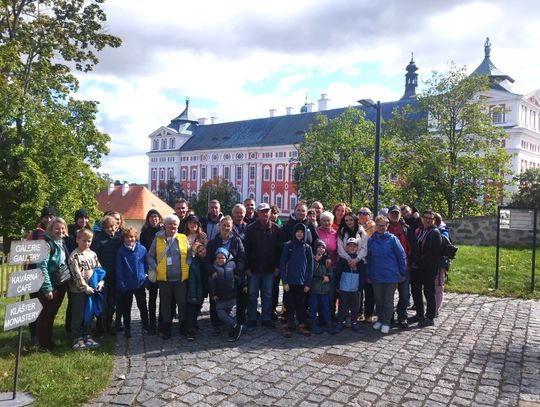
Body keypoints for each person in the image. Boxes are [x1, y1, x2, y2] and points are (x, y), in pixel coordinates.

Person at [147, 214, 191, 339]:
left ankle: (183, 327)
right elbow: (149, 255)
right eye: (170, 224)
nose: (172, 226)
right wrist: (154, 265)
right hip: (164, 278)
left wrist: (188, 265)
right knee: (165, 303)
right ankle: (166, 329)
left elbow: (189, 255)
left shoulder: (183, 238)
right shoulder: (158, 239)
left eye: (175, 224)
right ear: (164, 225)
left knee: (182, 303)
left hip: (180, 278)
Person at [366, 215, 407, 334]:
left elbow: (401, 256)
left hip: (391, 275)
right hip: (376, 275)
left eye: (383, 225)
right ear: (376, 226)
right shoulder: (371, 240)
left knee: (388, 300)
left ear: (387, 226)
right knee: (378, 300)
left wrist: (402, 272)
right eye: (379, 225)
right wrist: (368, 274)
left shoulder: (393, 239)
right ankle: (379, 319)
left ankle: (386, 322)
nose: (381, 227)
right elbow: (368, 259)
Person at [244, 203, 281, 329]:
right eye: (262, 212)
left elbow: (279, 251)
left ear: (270, 213)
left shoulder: (276, 229)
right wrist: (247, 267)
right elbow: (246, 250)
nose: (264, 214)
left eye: (266, 211)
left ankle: (266, 318)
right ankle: (252, 318)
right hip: (253, 269)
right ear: (257, 213)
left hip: (270, 269)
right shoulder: (250, 229)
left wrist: (277, 267)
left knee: (267, 295)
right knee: (252, 294)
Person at [207, 216, 247, 329]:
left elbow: (242, 256)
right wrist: (212, 271)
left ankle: (235, 324)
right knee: (215, 301)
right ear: (219, 226)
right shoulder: (213, 242)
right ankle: (216, 325)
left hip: (232, 276)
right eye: (223, 225)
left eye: (228, 225)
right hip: (217, 277)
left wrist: (237, 272)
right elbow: (208, 259)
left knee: (234, 302)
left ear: (231, 227)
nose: (226, 227)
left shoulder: (236, 240)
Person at [36, 217, 70, 352]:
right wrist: (47, 288)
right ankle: (43, 344)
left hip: (59, 283)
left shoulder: (60, 242)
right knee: (45, 315)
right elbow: (42, 267)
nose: (60, 231)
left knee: (51, 314)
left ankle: (48, 341)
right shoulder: (46, 244)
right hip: (50, 285)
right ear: (50, 229)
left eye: (62, 228)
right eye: (57, 228)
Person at [68, 228, 103, 349]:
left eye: (89, 241)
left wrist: (101, 282)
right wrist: (85, 288)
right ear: (77, 240)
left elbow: (99, 269)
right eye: (84, 241)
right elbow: (76, 275)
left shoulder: (92, 254)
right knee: (78, 314)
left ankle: (87, 335)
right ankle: (77, 337)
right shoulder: (74, 256)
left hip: (92, 289)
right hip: (78, 291)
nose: (87, 243)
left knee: (89, 313)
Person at [26, 206, 56, 346]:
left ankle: (45, 335)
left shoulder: (56, 233)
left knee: (46, 308)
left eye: (51, 217)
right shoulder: (34, 234)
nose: (48, 219)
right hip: (33, 273)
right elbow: (25, 254)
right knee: (34, 306)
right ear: (41, 218)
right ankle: (34, 336)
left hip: (48, 275)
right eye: (46, 217)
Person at [408, 209, 443, 327]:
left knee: (429, 292)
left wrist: (419, 261)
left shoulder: (435, 233)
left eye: (430, 218)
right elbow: (413, 246)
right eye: (425, 217)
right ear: (422, 218)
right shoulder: (418, 230)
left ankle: (430, 317)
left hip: (428, 267)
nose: (427, 220)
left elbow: (433, 252)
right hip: (416, 267)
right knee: (415, 291)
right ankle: (419, 314)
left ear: (433, 220)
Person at [279, 223, 313, 338]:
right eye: (297, 231)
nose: (299, 234)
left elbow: (310, 267)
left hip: (302, 283)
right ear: (294, 232)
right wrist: (285, 281)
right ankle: (285, 325)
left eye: (302, 232)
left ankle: (301, 325)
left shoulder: (307, 248)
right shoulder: (288, 246)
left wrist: (308, 283)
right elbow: (282, 264)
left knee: (302, 306)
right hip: (290, 282)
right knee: (288, 305)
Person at [91, 214, 122, 335]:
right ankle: (100, 328)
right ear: (103, 228)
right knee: (102, 303)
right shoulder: (98, 240)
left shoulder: (118, 238)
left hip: (115, 276)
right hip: (103, 277)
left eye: (112, 226)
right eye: (107, 227)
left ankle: (109, 326)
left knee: (112, 303)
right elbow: (95, 259)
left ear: (116, 226)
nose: (110, 229)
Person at [116, 227, 149, 338]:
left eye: (133, 237)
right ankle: (127, 329)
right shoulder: (121, 251)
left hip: (139, 283)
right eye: (128, 237)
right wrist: (121, 283)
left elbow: (145, 264)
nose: (131, 239)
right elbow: (119, 268)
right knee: (126, 308)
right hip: (127, 285)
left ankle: (146, 325)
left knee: (143, 306)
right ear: (124, 238)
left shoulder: (142, 249)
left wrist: (145, 276)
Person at [387, 205, 416, 329]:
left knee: (404, 294)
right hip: (388, 267)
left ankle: (402, 316)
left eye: (397, 213)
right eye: (392, 213)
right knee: (388, 295)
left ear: (400, 215)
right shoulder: (384, 228)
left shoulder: (406, 228)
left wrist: (411, 261)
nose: (394, 215)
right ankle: (389, 315)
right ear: (388, 214)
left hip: (404, 267)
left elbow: (413, 246)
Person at [209, 247, 244, 342]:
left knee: (232, 314)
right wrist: (213, 294)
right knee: (220, 314)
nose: (220, 260)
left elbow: (239, 278)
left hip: (232, 297)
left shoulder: (233, 266)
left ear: (227, 258)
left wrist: (242, 285)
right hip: (220, 298)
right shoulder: (214, 269)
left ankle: (233, 330)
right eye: (218, 258)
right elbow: (211, 283)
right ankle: (236, 325)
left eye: (222, 258)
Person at [140, 209, 163, 335]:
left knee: (164, 297)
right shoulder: (144, 233)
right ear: (148, 219)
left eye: (156, 216)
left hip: (164, 267)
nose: (154, 219)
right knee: (152, 297)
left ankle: (162, 322)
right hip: (152, 268)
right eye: (151, 217)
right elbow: (144, 252)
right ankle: (152, 323)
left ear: (159, 218)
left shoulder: (164, 231)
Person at [334, 237, 364, 333]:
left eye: (354, 246)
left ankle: (354, 322)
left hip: (355, 289)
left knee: (355, 307)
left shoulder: (360, 261)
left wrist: (360, 287)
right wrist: (337, 286)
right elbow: (337, 274)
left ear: (357, 248)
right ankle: (340, 322)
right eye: (350, 246)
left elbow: (363, 275)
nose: (352, 247)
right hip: (344, 288)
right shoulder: (342, 260)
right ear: (346, 247)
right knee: (342, 306)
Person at [308, 240, 335, 335]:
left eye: (323, 247)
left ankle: (329, 325)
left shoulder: (327, 259)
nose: (321, 249)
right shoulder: (312, 258)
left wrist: (329, 277)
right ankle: (312, 325)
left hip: (324, 289)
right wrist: (316, 261)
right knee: (313, 308)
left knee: (326, 308)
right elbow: (310, 272)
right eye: (319, 247)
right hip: (314, 289)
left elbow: (330, 271)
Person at [186, 243, 208, 341]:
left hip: (202, 290)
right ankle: (190, 330)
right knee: (191, 311)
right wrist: (193, 294)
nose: (203, 251)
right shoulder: (194, 263)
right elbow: (192, 280)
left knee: (197, 309)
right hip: (195, 292)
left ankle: (194, 325)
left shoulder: (206, 261)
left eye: (203, 249)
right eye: (200, 251)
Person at [357, 207, 376, 322]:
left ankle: (369, 314)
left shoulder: (373, 227)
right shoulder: (357, 226)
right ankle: (359, 312)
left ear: (370, 215)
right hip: (358, 261)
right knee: (358, 288)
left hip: (370, 262)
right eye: (360, 213)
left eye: (365, 213)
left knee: (369, 289)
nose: (362, 215)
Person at [434, 212, 451, 316]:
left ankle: (435, 310)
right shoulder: (425, 230)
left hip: (439, 264)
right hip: (429, 264)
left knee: (438, 287)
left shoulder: (443, 232)